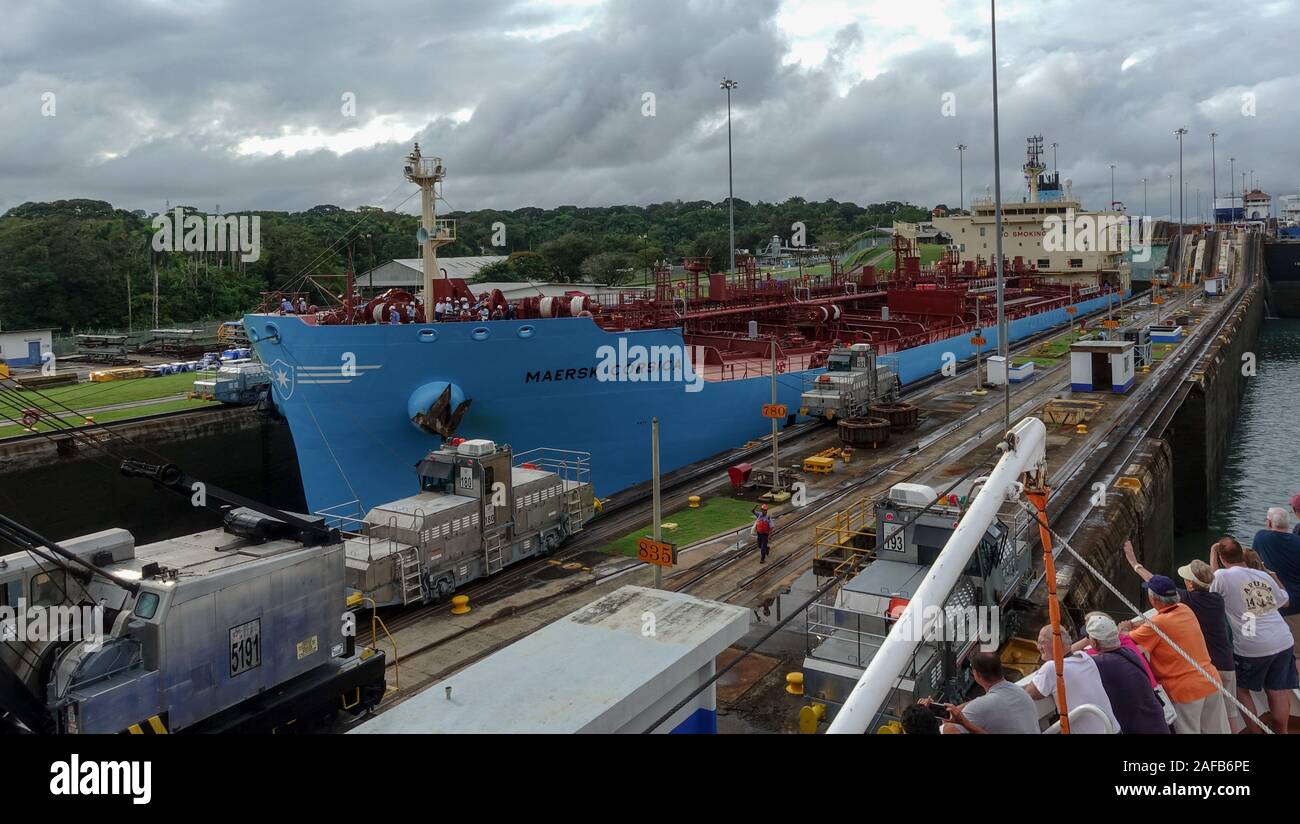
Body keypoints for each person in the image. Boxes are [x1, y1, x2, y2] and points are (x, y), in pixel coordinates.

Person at [1211, 536, 1297, 734]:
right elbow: (1284, 600)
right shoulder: (1263, 576)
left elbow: (1212, 588)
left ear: (1223, 559)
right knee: (1277, 690)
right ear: (1241, 554)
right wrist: (1272, 574)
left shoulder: (1223, 576)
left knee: (1240, 689)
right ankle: (1281, 732)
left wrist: (1212, 552)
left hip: (1253, 646)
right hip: (1283, 640)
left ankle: (1256, 733)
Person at [1124, 575, 1228, 734]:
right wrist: (1137, 624)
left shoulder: (1156, 625)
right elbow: (1157, 621)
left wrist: (1125, 627)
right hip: (1210, 680)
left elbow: (1125, 639)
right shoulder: (1185, 609)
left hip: (1185, 691)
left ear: (1155, 600)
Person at [1024, 624, 1122, 733]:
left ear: (1056, 643)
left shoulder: (1052, 668)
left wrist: (1041, 673)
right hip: (1113, 729)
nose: (1038, 647)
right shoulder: (1085, 658)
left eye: (1042, 642)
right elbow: (1068, 653)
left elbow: (1030, 693)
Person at [1084, 614, 1170, 734]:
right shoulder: (1128, 651)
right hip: (1156, 721)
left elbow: (1067, 662)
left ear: (1093, 642)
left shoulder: (1100, 663)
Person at [930, 652, 1038, 734]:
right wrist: (960, 709)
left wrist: (947, 721)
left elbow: (950, 731)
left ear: (977, 674)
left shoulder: (981, 706)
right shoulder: (1020, 692)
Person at [1252, 506, 1300, 669]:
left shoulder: (1262, 537)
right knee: (1298, 653)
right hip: (1297, 604)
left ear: (1270, 522)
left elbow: (1254, 563)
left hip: (1274, 603)